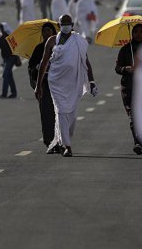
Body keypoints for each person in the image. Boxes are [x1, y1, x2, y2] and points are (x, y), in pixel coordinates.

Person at [36, 14, 97, 157]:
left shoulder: (79, 41)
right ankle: (67, 146)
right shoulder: (52, 41)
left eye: (68, 23)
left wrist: (92, 82)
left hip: (74, 83)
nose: (66, 26)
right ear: (59, 25)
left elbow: (86, 62)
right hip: (56, 83)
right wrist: (38, 86)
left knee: (72, 115)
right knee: (62, 112)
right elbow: (44, 63)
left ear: (73, 24)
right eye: (63, 23)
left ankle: (61, 139)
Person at [114, 23, 142, 155]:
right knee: (133, 116)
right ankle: (138, 142)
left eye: (141, 32)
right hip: (129, 87)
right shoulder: (125, 49)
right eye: (136, 32)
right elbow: (117, 68)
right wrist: (126, 69)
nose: (138, 34)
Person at [29, 22, 58, 150]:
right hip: (44, 85)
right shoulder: (39, 48)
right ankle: (49, 142)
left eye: (49, 31)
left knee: (60, 115)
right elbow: (31, 67)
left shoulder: (59, 48)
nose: (46, 33)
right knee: (46, 114)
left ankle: (60, 141)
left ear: (53, 33)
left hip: (59, 85)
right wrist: (36, 69)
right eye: (44, 31)